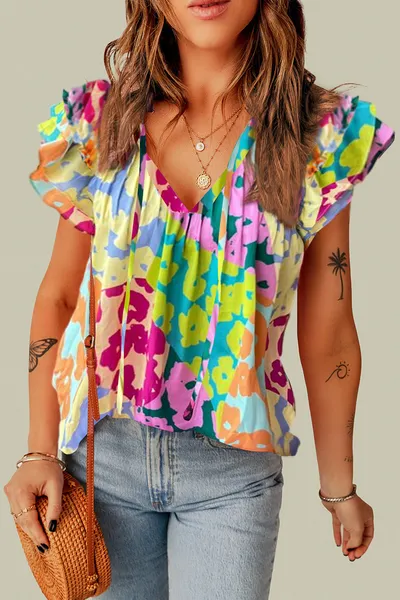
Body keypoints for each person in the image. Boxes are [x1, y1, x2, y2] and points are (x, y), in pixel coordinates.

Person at [4, 1, 395, 599]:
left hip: (233, 475)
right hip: (101, 464)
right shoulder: (100, 122)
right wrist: (38, 451)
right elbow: (59, 294)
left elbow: (331, 331)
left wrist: (339, 486)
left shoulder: (318, 138)